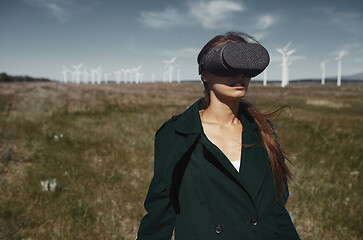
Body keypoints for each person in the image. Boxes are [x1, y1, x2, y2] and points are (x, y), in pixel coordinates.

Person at [137, 32, 300, 239]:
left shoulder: (263, 131)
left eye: (246, 68)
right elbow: (160, 211)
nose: (240, 76)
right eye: (228, 67)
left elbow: (276, 210)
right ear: (205, 74)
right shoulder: (176, 134)